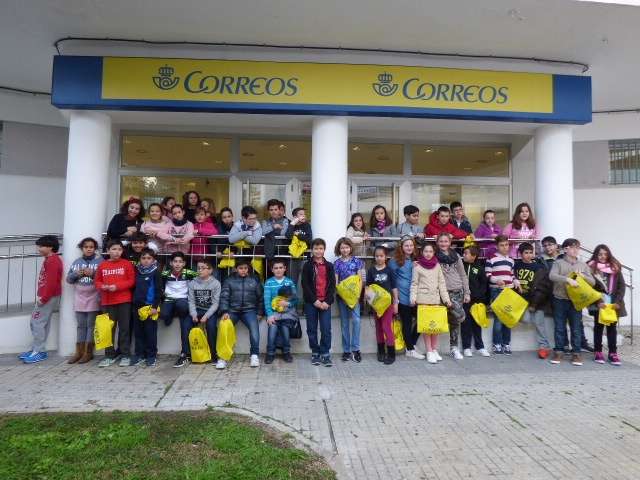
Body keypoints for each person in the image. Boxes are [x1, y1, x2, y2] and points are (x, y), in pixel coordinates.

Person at [548, 238, 595, 366]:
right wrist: (567, 279)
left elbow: (592, 282)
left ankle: (576, 353)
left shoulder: (583, 265)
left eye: (577, 247)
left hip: (576, 301)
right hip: (559, 299)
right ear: (565, 249)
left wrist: (583, 276)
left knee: (576, 328)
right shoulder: (558, 263)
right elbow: (552, 276)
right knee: (559, 327)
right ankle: (559, 351)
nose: (576, 250)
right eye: (573, 247)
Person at [19, 235, 63, 364]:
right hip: (47, 296)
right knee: (41, 323)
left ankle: (39, 351)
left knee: (36, 322)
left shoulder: (53, 261)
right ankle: (36, 349)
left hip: (48, 297)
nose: (39, 248)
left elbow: (51, 283)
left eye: (41, 246)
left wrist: (44, 298)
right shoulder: (50, 259)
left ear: (50, 247)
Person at [94, 240, 136, 367]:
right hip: (107, 302)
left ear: (122, 251)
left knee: (124, 329)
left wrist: (117, 286)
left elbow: (131, 281)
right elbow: (97, 281)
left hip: (124, 301)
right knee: (108, 330)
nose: (117, 252)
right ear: (108, 250)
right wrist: (103, 286)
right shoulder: (102, 265)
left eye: (119, 249)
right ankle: (109, 355)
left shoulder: (127, 264)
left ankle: (125, 355)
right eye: (114, 249)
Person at [410, 242, 451, 364]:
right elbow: (414, 284)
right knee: (427, 327)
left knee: (435, 327)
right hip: (423, 300)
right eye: (426, 251)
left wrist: (446, 299)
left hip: (435, 300)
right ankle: (429, 351)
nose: (428, 254)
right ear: (422, 252)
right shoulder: (417, 266)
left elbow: (442, 284)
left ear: (434, 253)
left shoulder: (437, 266)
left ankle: (434, 349)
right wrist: (413, 298)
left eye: (430, 251)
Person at [219, 259, 264, 368]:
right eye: (240, 268)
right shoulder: (229, 280)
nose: (243, 270)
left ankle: (254, 355)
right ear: (236, 269)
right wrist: (224, 311)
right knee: (224, 328)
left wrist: (259, 312)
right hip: (232, 310)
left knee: (254, 329)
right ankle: (223, 357)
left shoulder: (254, 280)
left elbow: (261, 297)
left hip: (249, 310)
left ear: (248, 269)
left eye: (245, 268)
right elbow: (224, 296)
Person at [65, 237, 103, 364]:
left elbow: (104, 278)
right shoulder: (77, 262)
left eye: (91, 247)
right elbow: (69, 279)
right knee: (81, 325)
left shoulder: (100, 261)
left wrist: (93, 274)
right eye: (86, 247)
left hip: (94, 297)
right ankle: (79, 352)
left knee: (91, 325)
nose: (89, 249)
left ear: (95, 248)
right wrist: (78, 273)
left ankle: (88, 352)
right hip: (79, 298)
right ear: (82, 248)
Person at [588, 245, 625, 366]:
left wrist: (617, 302)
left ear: (608, 255)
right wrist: (598, 301)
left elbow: (621, 287)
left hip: (613, 304)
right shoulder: (591, 268)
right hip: (599, 303)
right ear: (596, 255)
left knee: (612, 328)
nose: (603, 256)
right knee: (598, 327)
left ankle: (613, 353)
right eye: (600, 254)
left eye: (605, 254)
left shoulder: (615, 268)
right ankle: (598, 352)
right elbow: (589, 288)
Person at [515, 242, 553, 359]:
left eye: (531, 252)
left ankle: (544, 347)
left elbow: (541, 288)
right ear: (520, 254)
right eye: (526, 253)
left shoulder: (538, 267)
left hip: (537, 301)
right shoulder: (516, 265)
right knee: (525, 319)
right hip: (521, 300)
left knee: (539, 324)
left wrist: (534, 304)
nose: (529, 255)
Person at [435, 232, 470, 360]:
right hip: (441, 293)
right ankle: (433, 349)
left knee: (456, 321)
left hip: (457, 291)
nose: (443, 243)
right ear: (437, 243)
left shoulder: (456, 256)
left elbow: (463, 275)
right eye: (441, 241)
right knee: (437, 320)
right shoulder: (434, 257)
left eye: (446, 241)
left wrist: (467, 292)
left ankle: (454, 348)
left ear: (450, 243)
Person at [160, 252, 198, 368]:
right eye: (175, 261)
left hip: (183, 299)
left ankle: (185, 353)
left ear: (184, 263)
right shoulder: (165, 274)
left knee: (182, 307)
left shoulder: (189, 273)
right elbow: (159, 285)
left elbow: (200, 279)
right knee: (164, 314)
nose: (177, 264)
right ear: (171, 263)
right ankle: (170, 314)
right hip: (169, 299)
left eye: (180, 262)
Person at [302, 238, 336, 367]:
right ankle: (315, 352)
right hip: (311, 303)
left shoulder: (329, 266)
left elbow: (332, 285)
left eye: (321, 248)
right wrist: (314, 301)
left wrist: (327, 301)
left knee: (326, 329)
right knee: (311, 329)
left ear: (324, 250)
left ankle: (325, 353)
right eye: (316, 248)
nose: (318, 251)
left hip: (325, 303)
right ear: (312, 250)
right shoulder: (307, 265)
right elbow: (305, 285)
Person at [389, 236, 423, 359]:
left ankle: (411, 344)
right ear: (401, 247)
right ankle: (409, 350)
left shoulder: (415, 259)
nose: (409, 247)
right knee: (407, 323)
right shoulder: (394, 261)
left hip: (415, 296)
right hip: (402, 297)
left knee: (422, 320)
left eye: (411, 245)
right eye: (406, 245)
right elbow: (392, 281)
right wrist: (395, 300)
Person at [486, 235, 520, 355]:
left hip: (509, 291)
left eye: (506, 245)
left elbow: (512, 275)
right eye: (502, 245)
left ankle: (506, 343)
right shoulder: (491, 258)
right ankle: (497, 344)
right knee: (499, 318)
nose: (505, 247)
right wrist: (497, 280)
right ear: (497, 246)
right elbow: (488, 275)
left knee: (508, 318)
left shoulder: (511, 260)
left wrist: (516, 282)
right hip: (497, 290)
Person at [334, 237, 365, 363]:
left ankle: (356, 349)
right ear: (339, 249)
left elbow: (360, 280)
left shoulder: (357, 262)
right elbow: (336, 282)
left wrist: (357, 295)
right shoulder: (337, 263)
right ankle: (346, 350)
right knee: (344, 323)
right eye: (342, 247)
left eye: (347, 247)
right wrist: (341, 293)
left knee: (356, 321)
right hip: (342, 297)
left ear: (350, 248)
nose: (345, 250)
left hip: (355, 297)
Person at [131, 248, 163, 367]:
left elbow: (158, 291)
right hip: (137, 307)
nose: (146, 260)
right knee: (138, 332)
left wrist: (155, 306)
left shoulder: (156, 272)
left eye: (149, 258)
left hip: (150, 307)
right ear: (139, 259)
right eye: (143, 258)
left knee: (150, 332)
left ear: (153, 260)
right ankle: (139, 354)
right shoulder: (137, 271)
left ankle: (151, 355)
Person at [367, 245, 399, 364]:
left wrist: (396, 303)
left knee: (386, 327)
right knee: (379, 328)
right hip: (376, 305)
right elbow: (368, 286)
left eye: (381, 256)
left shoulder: (389, 270)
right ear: (374, 257)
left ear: (386, 257)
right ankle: (381, 352)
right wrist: (367, 297)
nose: (379, 258)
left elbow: (394, 287)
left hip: (388, 305)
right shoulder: (371, 270)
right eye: (377, 256)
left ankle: (391, 354)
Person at [263, 258, 298, 364]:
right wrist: (269, 315)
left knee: (285, 331)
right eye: (276, 268)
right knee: (272, 330)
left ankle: (286, 352)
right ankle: (270, 353)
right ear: (272, 270)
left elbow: (296, 299)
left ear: (285, 269)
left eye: (280, 268)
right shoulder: (269, 282)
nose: (278, 270)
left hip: (287, 313)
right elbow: (267, 300)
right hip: (274, 313)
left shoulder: (289, 282)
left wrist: (288, 304)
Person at [188, 259, 222, 367]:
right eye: (198, 268)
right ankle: (190, 353)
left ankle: (213, 354)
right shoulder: (192, 283)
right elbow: (191, 301)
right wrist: (193, 314)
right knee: (187, 324)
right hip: (197, 310)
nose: (200, 270)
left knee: (211, 327)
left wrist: (206, 316)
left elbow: (216, 303)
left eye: (203, 268)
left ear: (210, 270)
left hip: (210, 311)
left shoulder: (216, 283)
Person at [461, 245, 490, 357]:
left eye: (466, 253)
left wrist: (480, 298)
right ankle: (466, 347)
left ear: (474, 256)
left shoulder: (479, 268)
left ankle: (480, 347)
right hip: (464, 301)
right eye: (464, 253)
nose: (464, 255)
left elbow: (484, 285)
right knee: (465, 323)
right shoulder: (461, 266)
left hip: (477, 301)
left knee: (477, 323)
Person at [285, 207, 313, 283]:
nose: (303, 216)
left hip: (305, 256)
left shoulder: (307, 225)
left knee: (304, 280)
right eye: (301, 214)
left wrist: (298, 235)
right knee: (292, 279)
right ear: (295, 217)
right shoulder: (292, 225)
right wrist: (292, 224)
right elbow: (288, 235)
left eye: (304, 214)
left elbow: (309, 239)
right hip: (293, 257)